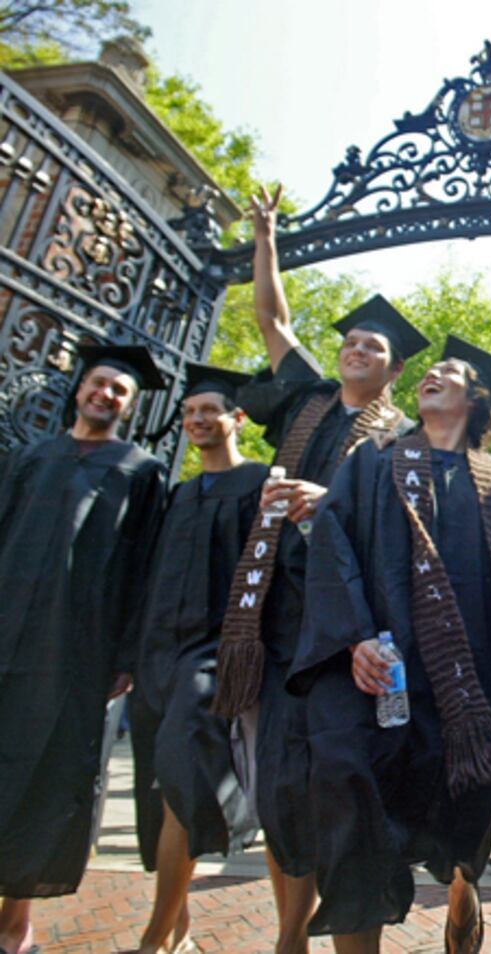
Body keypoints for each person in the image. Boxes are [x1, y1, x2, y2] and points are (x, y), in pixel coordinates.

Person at [289, 337, 491, 954]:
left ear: (477, 399)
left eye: (451, 371)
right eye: (430, 370)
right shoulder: (372, 462)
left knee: (460, 806)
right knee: (349, 791)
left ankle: (463, 880)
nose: (433, 373)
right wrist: (355, 637)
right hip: (375, 670)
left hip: (467, 683)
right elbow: (333, 545)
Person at [211, 184, 430, 953]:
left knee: (343, 789)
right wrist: (266, 239)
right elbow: (272, 321)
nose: (357, 350)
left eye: (374, 348)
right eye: (352, 342)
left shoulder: (400, 438)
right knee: (281, 791)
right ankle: (290, 936)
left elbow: (403, 537)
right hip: (276, 623)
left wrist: (328, 501)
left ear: (394, 371)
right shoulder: (304, 400)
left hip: (345, 634)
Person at [0, 345, 168, 954]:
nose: (106, 395)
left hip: (74, 648)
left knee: (46, 774)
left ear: (131, 405)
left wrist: (125, 655)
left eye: (120, 390)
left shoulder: (141, 471)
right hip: (5, 628)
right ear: (79, 390)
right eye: (99, 383)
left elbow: (145, 568)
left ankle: (15, 920)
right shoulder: (30, 457)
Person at [129, 362, 270, 954]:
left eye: (209, 410)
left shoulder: (261, 483)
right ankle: (178, 927)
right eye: (189, 412)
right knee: (161, 787)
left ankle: (154, 938)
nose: (197, 420)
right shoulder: (180, 494)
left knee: (184, 777)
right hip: (157, 653)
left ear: (237, 418)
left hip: (213, 653)